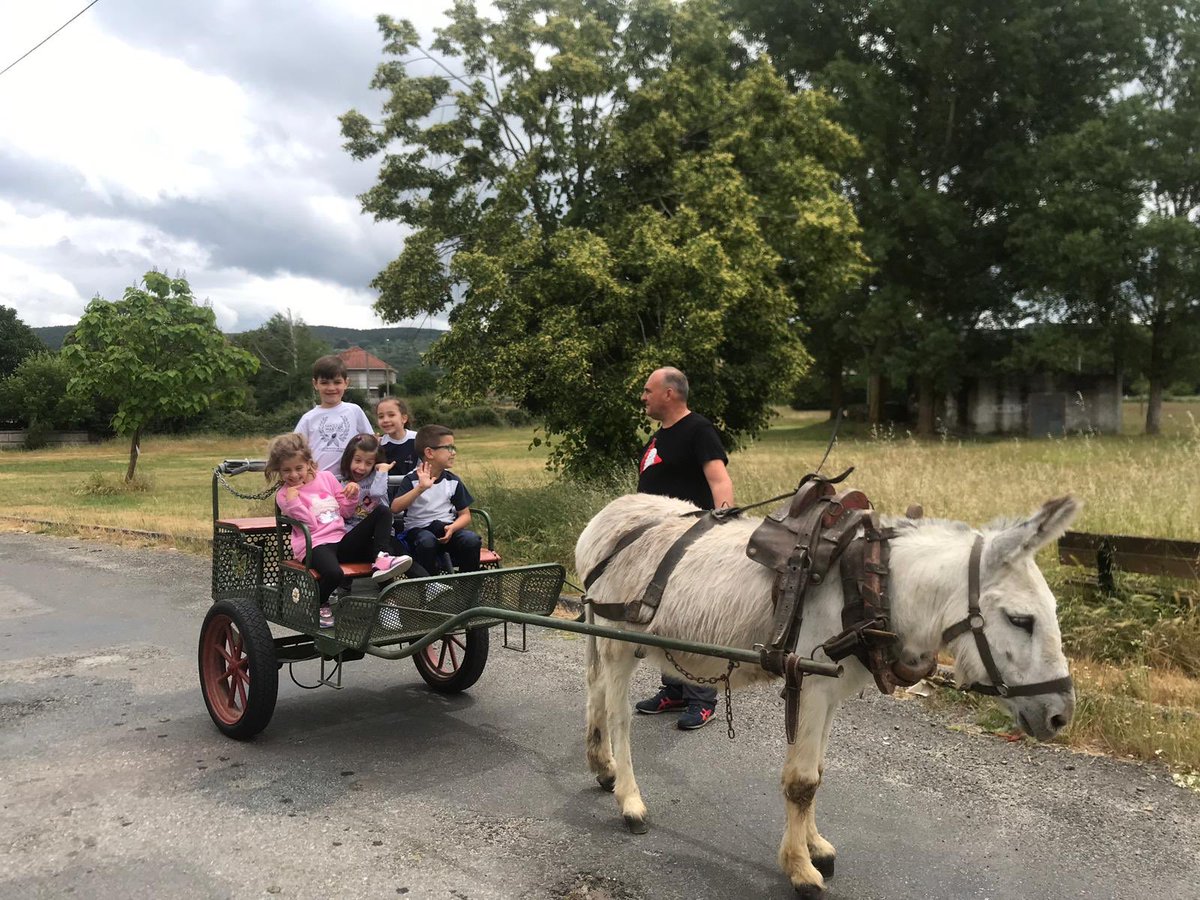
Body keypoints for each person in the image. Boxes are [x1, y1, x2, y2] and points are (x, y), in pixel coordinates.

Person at [632, 366, 734, 730]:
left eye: (648, 390)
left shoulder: (699, 430)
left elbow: (719, 480)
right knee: (661, 619)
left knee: (690, 621)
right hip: (658, 544)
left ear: (669, 393)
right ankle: (674, 690)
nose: (643, 396)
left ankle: (701, 698)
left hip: (689, 544)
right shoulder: (661, 435)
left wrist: (721, 528)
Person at [267, 433, 411, 629]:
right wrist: (294, 501)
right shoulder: (284, 495)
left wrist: (352, 494)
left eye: (298, 468)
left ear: (309, 463)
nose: (293, 475)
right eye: (286, 471)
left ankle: (381, 557)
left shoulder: (326, 478)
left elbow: (345, 512)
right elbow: (309, 523)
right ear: (279, 471)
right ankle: (319, 603)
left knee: (383, 511)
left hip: (341, 539)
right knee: (334, 574)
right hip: (314, 544)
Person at [390, 424, 482, 576]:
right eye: (448, 448)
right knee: (427, 541)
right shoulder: (412, 480)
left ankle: (468, 590)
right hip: (418, 532)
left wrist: (453, 528)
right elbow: (395, 508)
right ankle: (431, 587)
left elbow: (465, 515)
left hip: (446, 530)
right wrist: (420, 488)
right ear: (429, 452)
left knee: (471, 540)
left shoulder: (453, 481)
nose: (453, 453)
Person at [294, 355, 373, 473]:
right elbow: (295, 450)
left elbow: (370, 443)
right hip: (318, 481)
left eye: (337, 382)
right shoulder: (308, 418)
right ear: (315, 384)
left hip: (350, 482)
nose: (331, 388)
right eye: (325, 383)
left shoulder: (354, 411)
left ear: (346, 383)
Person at [376, 396, 419, 476]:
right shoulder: (379, 444)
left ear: (404, 418)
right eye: (381, 416)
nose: (385, 420)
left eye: (391, 415)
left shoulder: (418, 439)